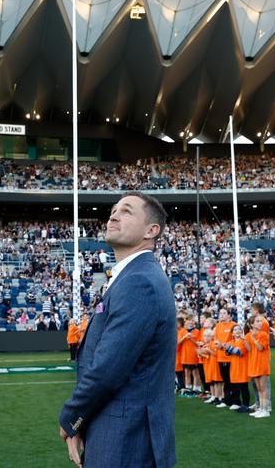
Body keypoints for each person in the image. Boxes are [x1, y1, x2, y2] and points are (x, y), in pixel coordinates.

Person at [59, 191, 176, 468]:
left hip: (125, 441)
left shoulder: (140, 282)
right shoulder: (132, 276)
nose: (114, 214)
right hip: (122, 435)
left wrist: (71, 418)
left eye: (127, 211)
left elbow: (108, 368)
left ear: (151, 230)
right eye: (113, 209)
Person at [245, 315, 271, 418]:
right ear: (252, 324)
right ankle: (261, 408)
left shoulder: (264, 334)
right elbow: (248, 349)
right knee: (258, 388)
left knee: (263, 388)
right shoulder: (248, 335)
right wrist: (245, 339)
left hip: (262, 363)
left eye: (260, 321)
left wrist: (254, 339)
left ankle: (265, 410)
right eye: (257, 321)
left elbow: (260, 348)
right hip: (253, 363)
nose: (260, 323)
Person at [214, 308, 236, 409]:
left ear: (229, 315)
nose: (221, 315)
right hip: (220, 357)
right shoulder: (218, 326)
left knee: (232, 380)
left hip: (230, 358)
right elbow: (216, 339)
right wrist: (217, 344)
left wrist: (224, 345)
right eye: (220, 313)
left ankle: (234, 400)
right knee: (225, 380)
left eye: (224, 313)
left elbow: (235, 340)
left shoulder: (233, 325)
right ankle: (227, 400)